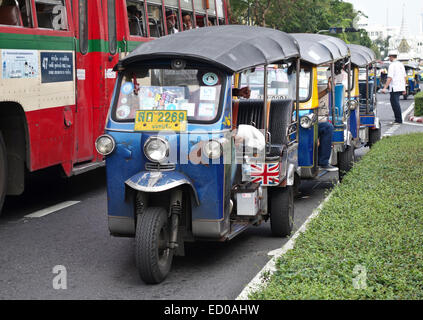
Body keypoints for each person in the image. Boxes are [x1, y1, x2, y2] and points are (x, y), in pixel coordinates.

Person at [381, 51, 406, 125]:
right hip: (400, 86)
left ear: (391, 57)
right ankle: (398, 119)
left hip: (394, 87)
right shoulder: (401, 64)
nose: (389, 58)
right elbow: (404, 77)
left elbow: (390, 78)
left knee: (395, 103)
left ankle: (398, 120)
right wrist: (404, 88)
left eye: (389, 57)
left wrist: (385, 88)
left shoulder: (392, 65)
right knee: (395, 102)